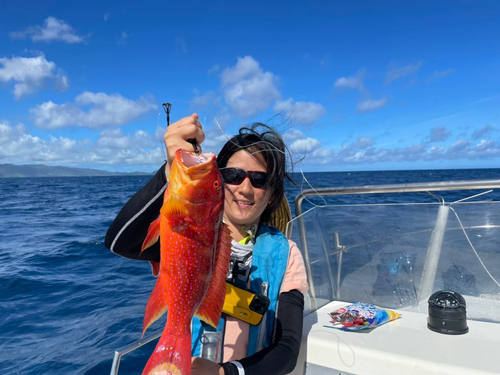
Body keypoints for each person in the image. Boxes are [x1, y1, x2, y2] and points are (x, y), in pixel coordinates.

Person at [105, 114, 309, 375]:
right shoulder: (187, 232)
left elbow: (287, 349)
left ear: (272, 195)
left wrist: (225, 373)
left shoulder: (287, 254)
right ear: (220, 182)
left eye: (260, 180)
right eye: (233, 175)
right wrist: (169, 172)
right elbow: (118, 242)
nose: (245, 188)